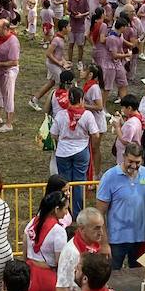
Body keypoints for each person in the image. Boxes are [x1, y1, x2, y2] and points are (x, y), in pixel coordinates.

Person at [97, 143, 145, 269]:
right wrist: (104, 243)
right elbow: (100, 213)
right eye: (130, 161)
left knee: (140, 277)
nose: (134, 166)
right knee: (112, 275)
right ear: (123, 157)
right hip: (116, 240)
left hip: (141, 238)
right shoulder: (109, 177)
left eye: (137, 162)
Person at [50, 87, 100, 217]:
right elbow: (96, 134)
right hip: (82, 150)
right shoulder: (87, 115)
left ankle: (64, 211)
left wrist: (63, 138)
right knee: (79, 182)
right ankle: (78, 212)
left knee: (64, 182)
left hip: (63, 152)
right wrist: (92, 145)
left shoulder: (61, 114)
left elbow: (53, 134)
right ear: (81, 99)